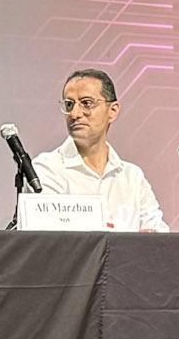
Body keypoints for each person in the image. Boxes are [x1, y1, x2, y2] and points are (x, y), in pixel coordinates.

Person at [32, 68, 168, 231]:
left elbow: (157, 234)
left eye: (86, 103)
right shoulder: (47, 168)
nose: (75, 114)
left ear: (113, 111)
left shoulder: (132, 177)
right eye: (69, 104)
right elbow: (50, 235)